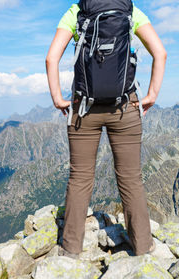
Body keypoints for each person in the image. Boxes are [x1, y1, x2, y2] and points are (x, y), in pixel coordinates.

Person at [46, 2, 167, 258]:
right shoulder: (130, 11)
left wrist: (58, 97)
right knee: (131, 179)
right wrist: (152, 94)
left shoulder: (77, 11)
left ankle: (70, 250)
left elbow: (51, 58)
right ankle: (144, 247)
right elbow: (160, 53)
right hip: (125, 106)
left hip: (83, 109)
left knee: (79, 178)